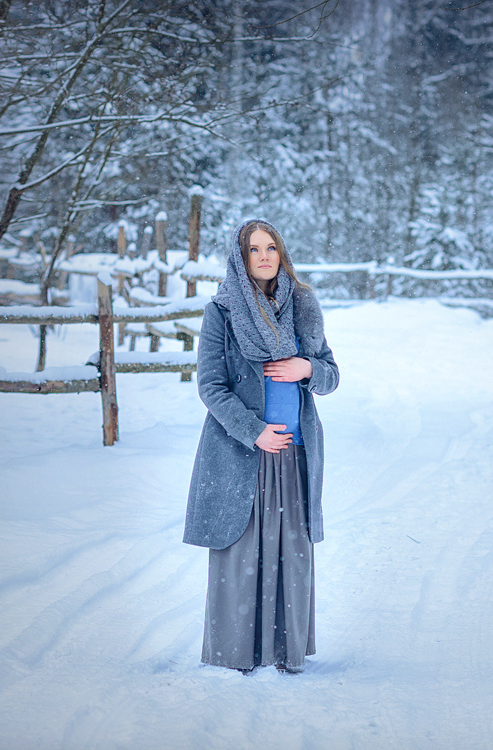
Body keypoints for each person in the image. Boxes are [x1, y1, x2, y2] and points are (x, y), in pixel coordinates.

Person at [184, 218, 339, 675]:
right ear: (240, 256)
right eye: (254, 249)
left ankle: (286, 652)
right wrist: (253, 430)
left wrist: (304, 368)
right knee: (242, 553)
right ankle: (238, 652)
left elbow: (331, 375)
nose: (265, 255)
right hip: (242, 451)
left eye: (271, 246)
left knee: (291, 554)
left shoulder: (303, 306)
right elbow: (211, 387)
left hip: (294, 452)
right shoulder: (223, 311)